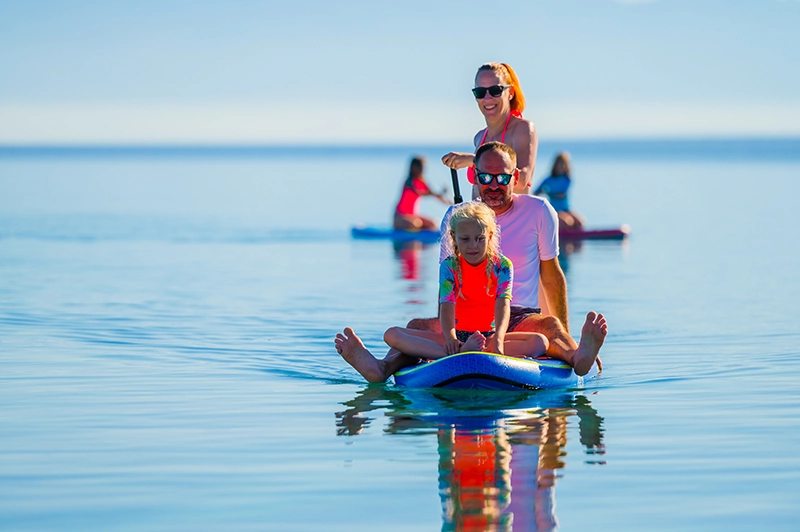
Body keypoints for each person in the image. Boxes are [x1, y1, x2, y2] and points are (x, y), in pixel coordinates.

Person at [335, 142, 607, 382]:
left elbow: (552, 276)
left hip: (518, 317)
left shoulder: (539, 210)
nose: (493, 184)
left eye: (502, 177)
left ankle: (578, 357)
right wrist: (449, 338)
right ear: (475, 177)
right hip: (465, 319)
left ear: (516, 177)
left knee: (549, 328)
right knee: (415, 326)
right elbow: (447, 291)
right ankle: (381, 368)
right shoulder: (455, 217)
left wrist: (566, 341)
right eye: (486, 177)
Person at [380, 202, 549, 361]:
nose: (473, 245)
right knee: (391, 334)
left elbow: (503, 305)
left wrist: (498, 338)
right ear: (454, 237)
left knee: (540, 342)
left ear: (489, 236)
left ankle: (465, 352)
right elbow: (446, 306)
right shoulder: (450, 266)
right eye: (465, 239)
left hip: (487, 337)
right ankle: (461, 351)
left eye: (479, 238)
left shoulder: (502, 266)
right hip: (455, 335)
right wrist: (450, 339)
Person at [441, 62, 538, 196]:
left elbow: (522, 180)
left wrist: (474, 160)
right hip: (482, 216)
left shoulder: (522, 129)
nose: (487, 98)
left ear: (510, 92)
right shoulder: (480, 137)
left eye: (495, 91)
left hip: (515, 217)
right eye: (480, 92)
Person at [393, 156, 450, 231]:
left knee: (433, 224)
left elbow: (434, 194)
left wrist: (451, 204)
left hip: (413, 217)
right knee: (415, 224)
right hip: (400, 217)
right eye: (420, 168)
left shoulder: (422, 183)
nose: (422, 170)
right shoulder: (409, 182)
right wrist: (437, 193)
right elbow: (419, 192)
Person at [534, 151, 585, 231]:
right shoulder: (549, 179)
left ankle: (575, 241)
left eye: (562, 165)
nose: (560, 167)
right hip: (554, 210)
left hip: (566, 209)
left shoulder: (567, 179)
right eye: (559, 164)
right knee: (567, 222)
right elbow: (535, 192)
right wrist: (542, 192)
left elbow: (561, 194)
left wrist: (548, 192)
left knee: (580, 222)